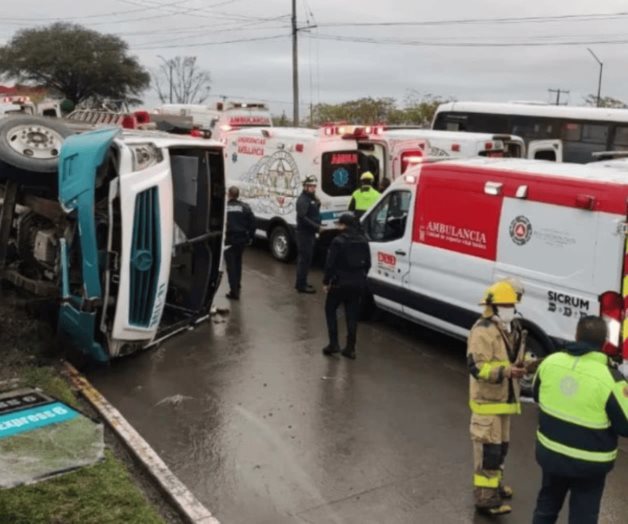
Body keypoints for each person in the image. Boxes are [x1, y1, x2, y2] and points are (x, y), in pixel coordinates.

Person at [532, 316, 628, 524]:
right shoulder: (611, 378)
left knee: (546, 507)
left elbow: (537, 396)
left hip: (551, 454)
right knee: (583, 516)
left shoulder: (550, 363)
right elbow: (626, 425)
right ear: (604, 342)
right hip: (590, 464)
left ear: (576, 336)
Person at [467, 280, 527, 516]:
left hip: (503, 402)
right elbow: (477, 368)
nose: (513, 307)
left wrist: (521, 367)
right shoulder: (483, 331)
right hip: (487, 403)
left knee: (499, 450)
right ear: (494, 306)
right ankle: (485, 499)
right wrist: (506, 372)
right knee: (488, 452)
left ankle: (494, 488)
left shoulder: (506, 328)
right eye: (508, 304)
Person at [322, 213, 371, 360]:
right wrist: (360, 277)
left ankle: (334, 343)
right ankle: (350, 348)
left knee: (330, 309)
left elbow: (330, 264)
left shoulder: (338, 241)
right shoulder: (364, 240)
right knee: (352, 314)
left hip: (339, 283)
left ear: (343, 225)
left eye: (339, 224)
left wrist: (326, 282)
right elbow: (368, 264)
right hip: (357, 283)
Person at [224, 186, 256, 300]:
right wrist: (250, 236)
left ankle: (234, 292)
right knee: (238, 263)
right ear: (237, 195)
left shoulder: (225, 208)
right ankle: (237, 284)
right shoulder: (245, 207)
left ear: (229, 194)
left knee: (231, 267)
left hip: (230, 240)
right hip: (241, 240)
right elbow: (253, 223)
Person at [295, 175, 321, 294]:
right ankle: (301, 285)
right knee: (304, 260)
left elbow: (314, 212)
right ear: (305, 187)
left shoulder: (310, 198)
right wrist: (317, 227)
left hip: (310, 233)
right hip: (304, 234)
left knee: (307, 259)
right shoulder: (303, 200)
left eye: (314, 186)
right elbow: (302, 217)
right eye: (310, 186)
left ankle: (302, 282)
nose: (313, 188)